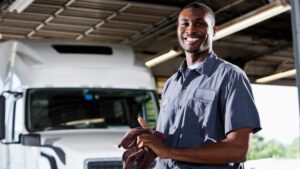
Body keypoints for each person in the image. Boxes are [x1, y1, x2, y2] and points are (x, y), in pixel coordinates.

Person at [137, 2, 261, 169]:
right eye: (185, 24)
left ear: (214, 31)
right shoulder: (171, 84)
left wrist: (169, 151)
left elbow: (238, 150)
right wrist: (153, 141)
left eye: (200, 23)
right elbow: (167, 146)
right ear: (178, 30)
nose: (191, 29)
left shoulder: (230, 76)